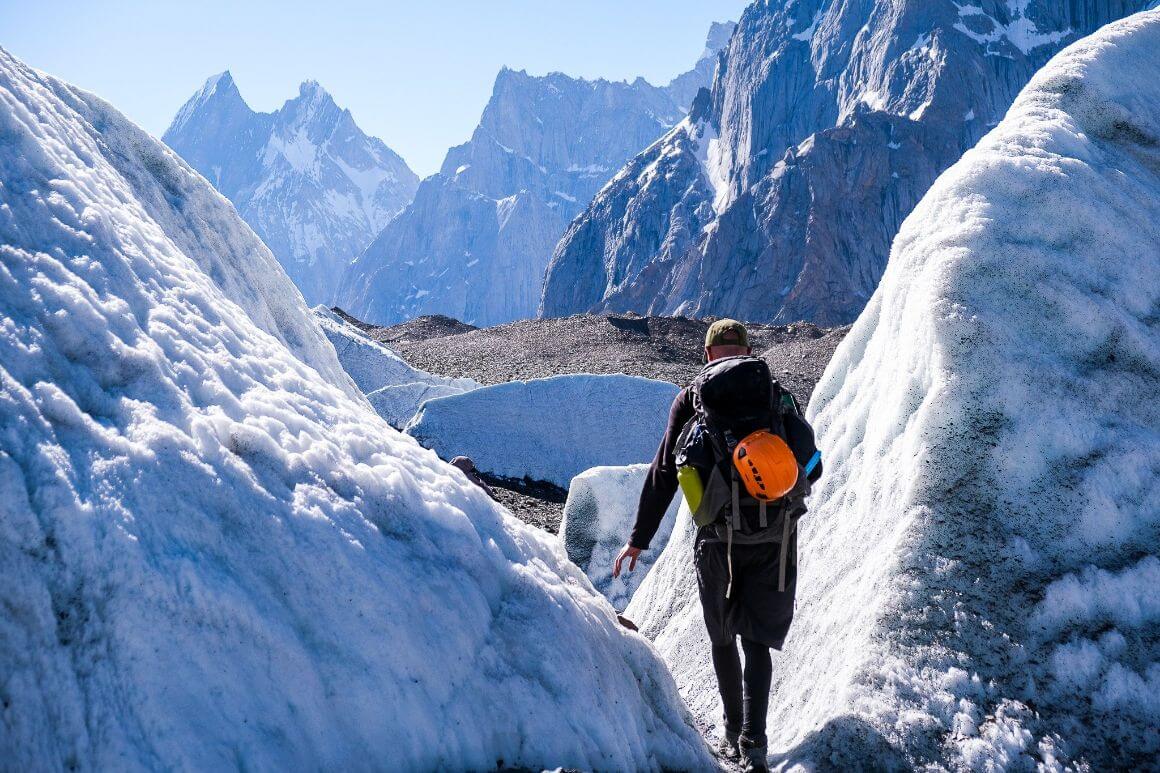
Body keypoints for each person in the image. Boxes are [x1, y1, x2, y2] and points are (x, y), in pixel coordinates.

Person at [612, 319, 821, 773]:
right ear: (748, 350)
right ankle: (756, 743)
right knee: (757, 640)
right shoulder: (776, 394)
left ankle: (731, 733)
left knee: (722, 635)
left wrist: (638, 539)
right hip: (774, 536)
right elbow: (813, 464)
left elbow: (665, 471)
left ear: (707, 356)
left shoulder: (692, 399)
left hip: (717, 539)